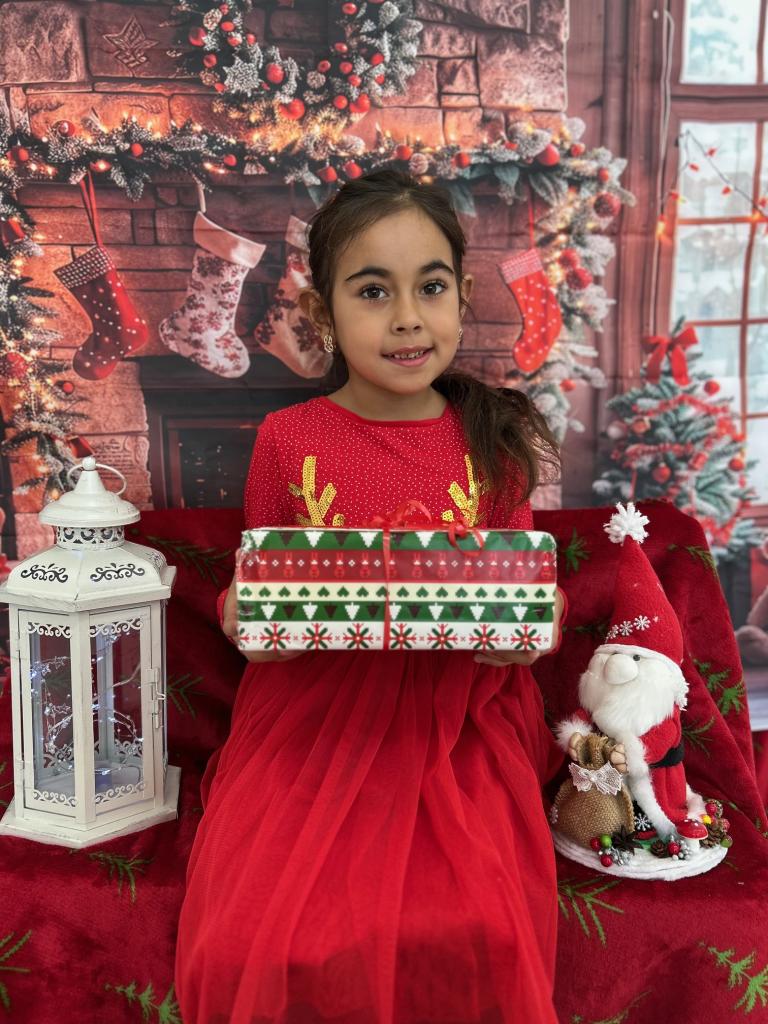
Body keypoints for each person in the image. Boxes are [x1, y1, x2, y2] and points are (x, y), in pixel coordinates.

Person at [175, 167, 566, 1024]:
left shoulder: (491, 438)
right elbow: (264, 576)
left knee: (480, 919)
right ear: (325, 313)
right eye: (373, 291)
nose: (407, 318)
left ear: (463, 296)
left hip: (458, 713)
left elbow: (525, 586)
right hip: (316, 709)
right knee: (258, 927)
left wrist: (522, 630)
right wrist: (244, 612)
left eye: (430, 287)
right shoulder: (289, 439)